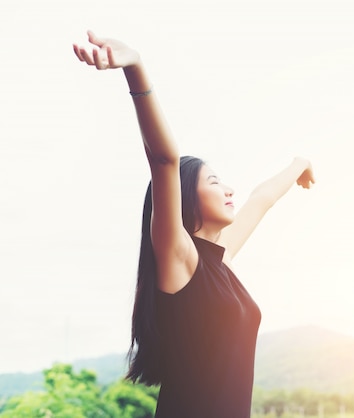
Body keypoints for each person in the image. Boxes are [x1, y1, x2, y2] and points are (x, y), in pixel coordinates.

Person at [72, 30, 315, 417]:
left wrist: (299, 164)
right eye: (215, 181)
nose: (228, 188)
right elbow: (165, 161)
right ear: (186, 197)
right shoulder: (180, 259)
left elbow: (261, 198)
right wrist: (135, 68)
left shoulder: (221, 260)